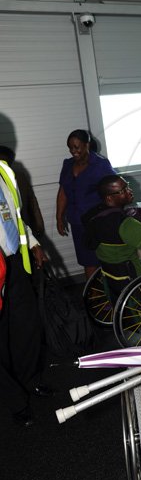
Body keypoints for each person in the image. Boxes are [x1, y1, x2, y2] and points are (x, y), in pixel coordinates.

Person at [0, 159, 52, 427]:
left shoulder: (5, 170)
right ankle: (15, 400)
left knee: (26, 326)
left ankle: (30, 380)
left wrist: (32, 243)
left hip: (14, 262)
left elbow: (16, 216)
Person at [82, 175, 141, 305]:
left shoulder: (92, 215)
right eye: (123, 190)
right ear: (109, 198)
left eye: (128, 186)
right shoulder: (124, 224)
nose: (130, 190)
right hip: (131, 273)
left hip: (110, 273)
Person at [56, 129, 116, 280]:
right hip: (78, 223)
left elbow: (114, 189)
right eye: (70, 148)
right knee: (87, 261)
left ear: (87, 145)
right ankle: (94, 298)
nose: (73, 151)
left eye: (77, 147)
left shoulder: (100, 165)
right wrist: (59, 217)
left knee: (104, 259)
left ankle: (110, 296)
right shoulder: (68, 165)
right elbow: (63, 191)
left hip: (97, 223)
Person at [0, 146, 44, 238]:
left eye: (6, 162)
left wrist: (39, 225)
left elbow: (32, 202)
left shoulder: (20, 178)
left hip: (26, 230)